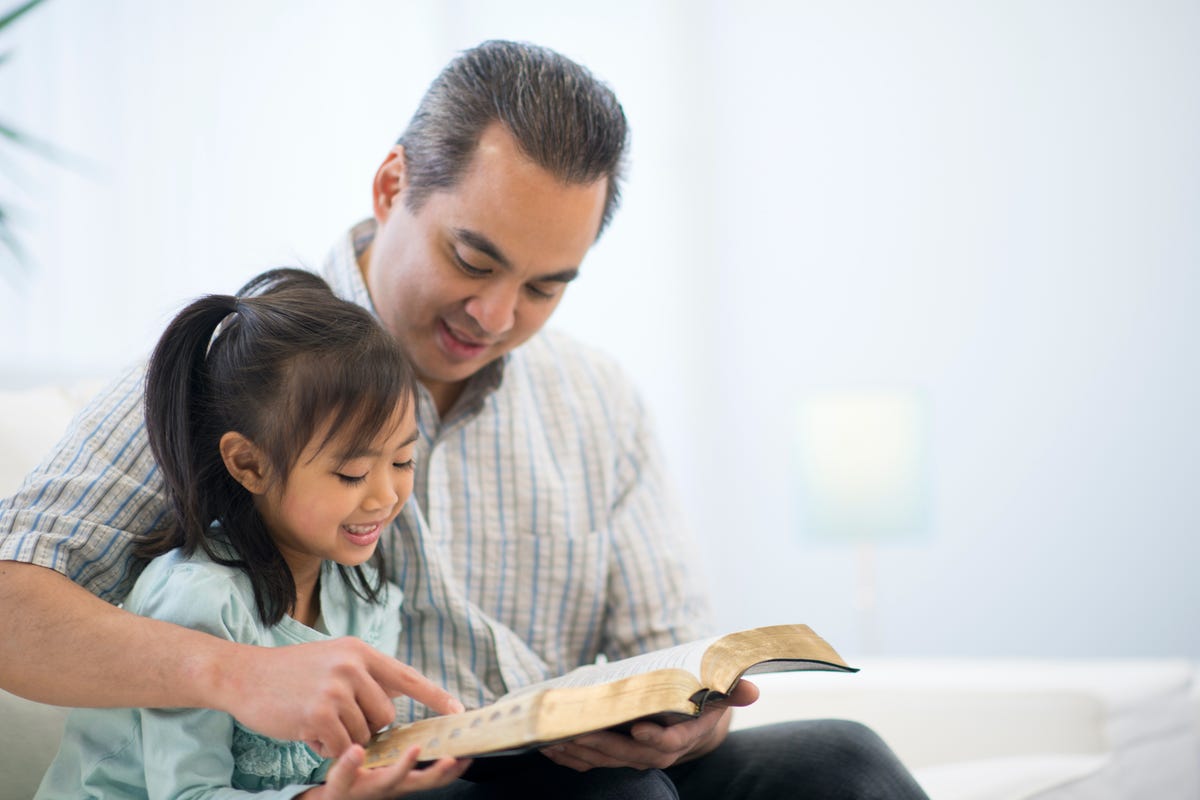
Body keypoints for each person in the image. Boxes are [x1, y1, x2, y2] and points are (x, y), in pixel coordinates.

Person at [0, 40, 928, 798]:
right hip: (391, 781)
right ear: (390, 185)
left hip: (573, 767)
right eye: (472, 259)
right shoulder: (241, 369)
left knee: (844, 763)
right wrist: (232, 673)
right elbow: (12, 605)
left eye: (544, 287)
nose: (495, 317)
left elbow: (670, 642)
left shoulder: (596, 399)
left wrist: (685, 724)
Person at [35, 268, 470, 799]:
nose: (384, 497)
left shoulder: (362, 596)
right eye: (351, 473)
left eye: (403, 460)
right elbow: (186, 794)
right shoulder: (200, 601)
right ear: (250, 464)